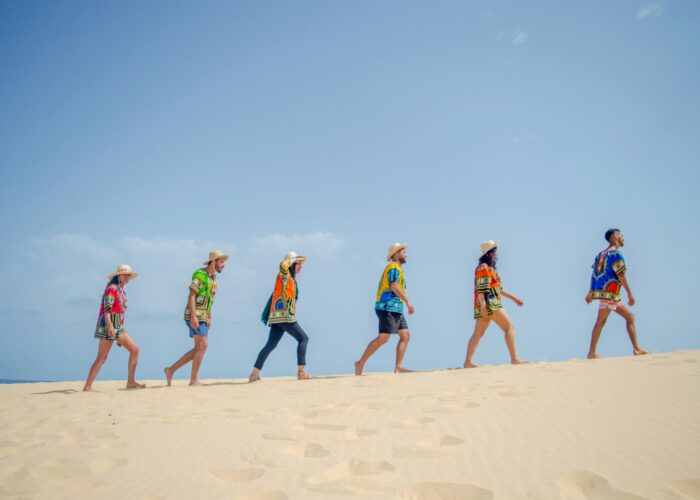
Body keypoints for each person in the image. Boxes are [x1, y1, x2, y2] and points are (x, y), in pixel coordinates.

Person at [164, 250, 228, 386]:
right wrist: (193, 316)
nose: (224, 265)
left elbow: (210, 299)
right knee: (203, 345)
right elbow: (191, 295)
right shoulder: (200, 274)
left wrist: (210, 316)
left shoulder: (214, 278)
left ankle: (171, 370)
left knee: (200, 347)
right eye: (222, 262)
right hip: (195, 315)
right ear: (214, 261)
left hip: (204, 316)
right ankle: (193, 380)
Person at [585, 229, 648, 359]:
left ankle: (592, 352)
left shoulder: (600, 255)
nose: (624, 238)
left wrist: (590, 291)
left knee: (601, 322)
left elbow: (594, 274)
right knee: (629, 317)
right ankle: (636, 348)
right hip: (611, 294)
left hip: (603, 294)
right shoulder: (615, 254)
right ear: (615, 236)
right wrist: (630, 293)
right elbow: (621, 275)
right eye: (621, 235)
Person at [464, 240, 527, 368]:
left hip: (485, 305)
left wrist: (514, 299)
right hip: (491, 304)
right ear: (488, 254)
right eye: (494, 252)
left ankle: (468, 362)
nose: (496, 254)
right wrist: (483, 306)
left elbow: (499, 289)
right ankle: (515, 358)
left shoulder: (490, 269)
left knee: (478, 333)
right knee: (509, 326)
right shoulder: (484, 268)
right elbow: (481, 290)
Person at [249, 252, 311, 382]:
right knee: (303, 338)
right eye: (298, 264)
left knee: (270, 345)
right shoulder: (285, 275)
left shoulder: (291, 279)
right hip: (285, 316)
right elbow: (283, 265)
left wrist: (295, 261)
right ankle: (301, 372)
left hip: (277, 317)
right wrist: (292, 260)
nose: (300, 267)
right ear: (292, 264)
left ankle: (254, 374)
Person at [355, 242, 414, 375]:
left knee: (405, 335)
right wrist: (408, 301)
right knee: (384, 338)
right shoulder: (393, 267)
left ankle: (398, 367)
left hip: (396, 308)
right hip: (387, 306)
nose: (406, 254)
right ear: (396, 254)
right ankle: (360, 363)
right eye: (404, 252)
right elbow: (393, 285)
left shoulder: (398, 268)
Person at [83, 265, 145, 391]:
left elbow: (120, 312)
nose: (126, 277)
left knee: (135, 350)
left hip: (118, 326)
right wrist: (110, 326)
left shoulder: (121, 291)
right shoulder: (112, 288)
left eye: (128, 275)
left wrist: (118, 336)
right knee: (102, 357)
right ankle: (88, 386)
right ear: (118, 276)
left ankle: (131, 382)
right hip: (109, 325)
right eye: (124, 275)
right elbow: (107, 309)